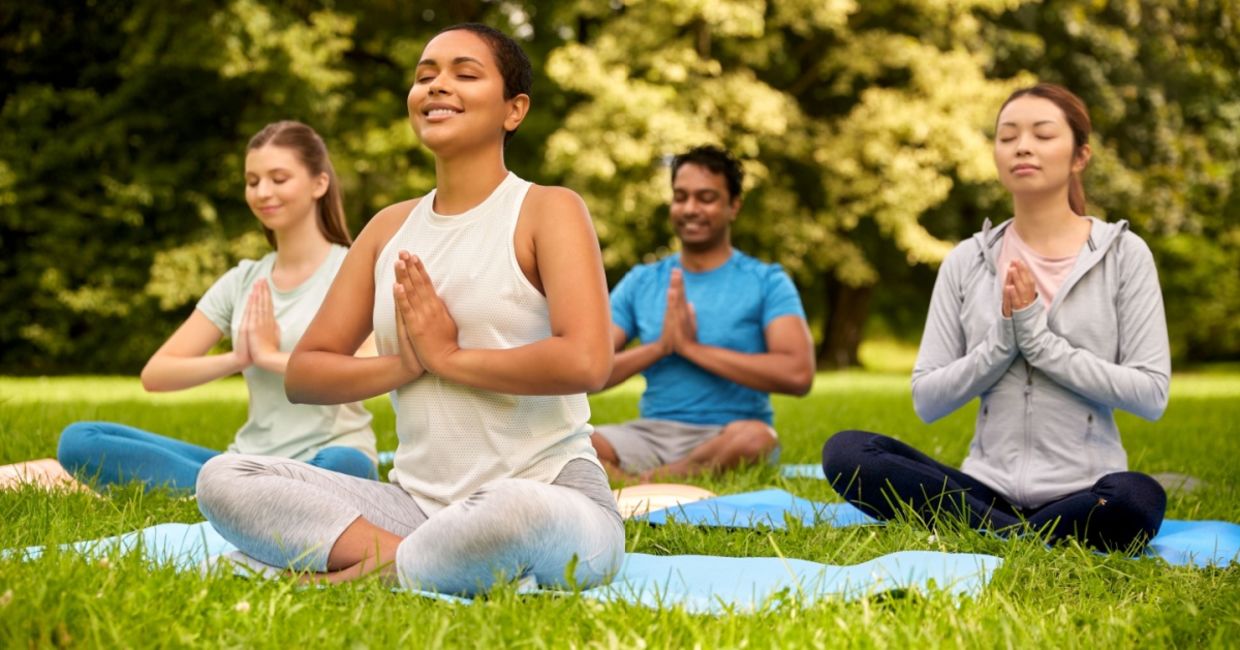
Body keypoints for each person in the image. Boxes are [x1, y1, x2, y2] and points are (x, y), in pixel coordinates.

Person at [194, 24, 624, 595]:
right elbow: (306, 374)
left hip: (548, 493)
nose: (437, 86)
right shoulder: (389, 229)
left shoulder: (547, 210)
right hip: (417, 506)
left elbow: (588, 361)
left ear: (513, 110)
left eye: (464, 74)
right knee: (225, 477)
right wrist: (406, 365)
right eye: (425, 77)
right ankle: (413, 562)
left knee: (514, 511)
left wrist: (447, 356)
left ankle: (340, 576)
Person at [821, 83, 1170, 553]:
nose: (1022, 145)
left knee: (1136, 498)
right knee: (846, 452)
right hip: (985, 489)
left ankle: (989, 533)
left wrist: (1040, 342)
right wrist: (1003, 343)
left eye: (1042, 134)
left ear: (1079, 157)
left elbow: (1151, 394)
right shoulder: (966, 260)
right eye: (1007, 136)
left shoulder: (1123, 254)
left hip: (1088, 492)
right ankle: (1018, 534)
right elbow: (928, 399)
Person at [46, 121, 379, 492]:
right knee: (81, 439)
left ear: (319, 183)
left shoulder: (352, 270)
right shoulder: (243, 280)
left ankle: (226, 493)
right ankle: (240, 491)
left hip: (328, 457)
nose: (262, 192)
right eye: (252, 181)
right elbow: (156, 374)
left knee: (346, 464)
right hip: (245, 460)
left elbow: (367, 373)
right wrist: (238, 358)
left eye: (278, 178)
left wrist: (270, 356)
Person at [590, 146, 815, 481]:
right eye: (680, 197)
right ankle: (664, 479)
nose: (690, 208)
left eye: (706, 198)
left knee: (758, 440)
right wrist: (659, 348)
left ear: (733, 206)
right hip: (649, 434)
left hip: (728, 436)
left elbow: (798, 374)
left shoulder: (767, 281)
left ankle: (644, 483)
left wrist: (693, 350)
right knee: (572, 442)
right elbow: (589, 370)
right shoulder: (642, 281)